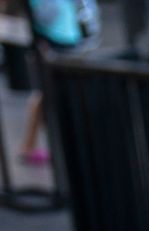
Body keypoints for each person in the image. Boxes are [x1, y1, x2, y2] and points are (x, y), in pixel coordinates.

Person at [19, 0, 82, 167]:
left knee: (52, 96)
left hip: (66, 38)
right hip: (51, 41)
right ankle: (30, 146)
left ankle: (60, 145)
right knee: (44, 96)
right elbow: (43, 16)